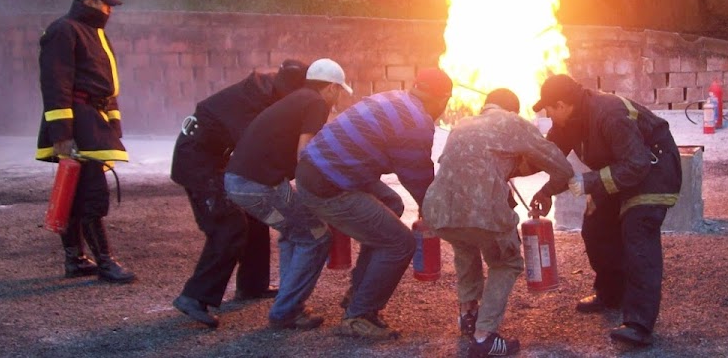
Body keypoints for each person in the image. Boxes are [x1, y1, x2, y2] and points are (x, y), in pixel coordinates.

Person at [294, 67, 454, 341]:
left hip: (316, 168)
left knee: (391, 204)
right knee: (400, 242)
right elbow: (418, 178)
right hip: (328, 184)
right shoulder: (416, 122)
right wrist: (436, 215)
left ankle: (358, 292)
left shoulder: (393, 97)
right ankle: (359, 315)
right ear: (443, 99)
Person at [530, 74, 683, 347]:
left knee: (638, 233)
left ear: (563, 104)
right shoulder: (569, 123)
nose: (549, 116)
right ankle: (611, 294)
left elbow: (637, 164)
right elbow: (548, 157)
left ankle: (638, 323)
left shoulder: (608, 112)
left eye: (550, 109)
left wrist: (587, 182)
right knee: (596, 228)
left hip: (653, 169)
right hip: (620, 171)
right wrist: (544, 190)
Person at [422, 88, 573, 358]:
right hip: (481, 210)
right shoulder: (514, 123)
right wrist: (548, 191)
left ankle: (468, 316)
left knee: (465, 246)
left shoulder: (462, 124)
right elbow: (562, 167)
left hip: (438, 210)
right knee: (506, 262)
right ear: (511, 110)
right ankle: (484, 337)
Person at [169, 58, 310, 328]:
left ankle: (252, 285)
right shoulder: (251, 102)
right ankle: (195, 297)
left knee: (255, 213)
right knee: (229, 226)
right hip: (198, 163)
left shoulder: (266, 93)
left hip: (216, 160)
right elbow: (259, 151)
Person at [224, 58, 353, 330]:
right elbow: (304, 154)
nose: (338, 96)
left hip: (238, 181)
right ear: (330, 87)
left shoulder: (297, 98)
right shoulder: (316, 103)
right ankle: (286, 311)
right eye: (339, 90)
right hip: (259, 185)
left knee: (294, 233)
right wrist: (322, 189)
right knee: (316, 236)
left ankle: (288, 303)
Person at [35, 0, 135, 284]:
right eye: (105, 4)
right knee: (91, 192)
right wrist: (62, 134)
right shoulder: (64, 31)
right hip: (77, 121)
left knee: (77, 193)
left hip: (94, 119)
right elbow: (56, 84)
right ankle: (104, 261)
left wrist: (113, 122)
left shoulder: (95, 33)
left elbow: (107, 84)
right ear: (88, 1)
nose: (109, 10)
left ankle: (76, 260)